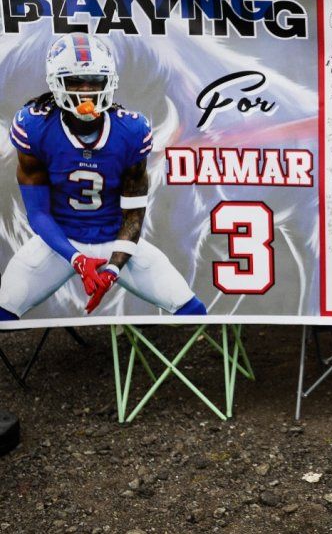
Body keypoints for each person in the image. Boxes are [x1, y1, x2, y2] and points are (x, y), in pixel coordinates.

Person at [0, 33, 206, 320]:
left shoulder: (131, 131)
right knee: (4, 310)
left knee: (192, 310)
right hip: (59, 242)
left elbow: (133, 215)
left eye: (94, 81)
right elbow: (38, 214)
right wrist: (77, 259)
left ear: (109, 82)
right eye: (75, 81)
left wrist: (112, 267)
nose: (86, 91)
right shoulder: (34, 126)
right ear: (56, 83)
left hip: (115, 239)